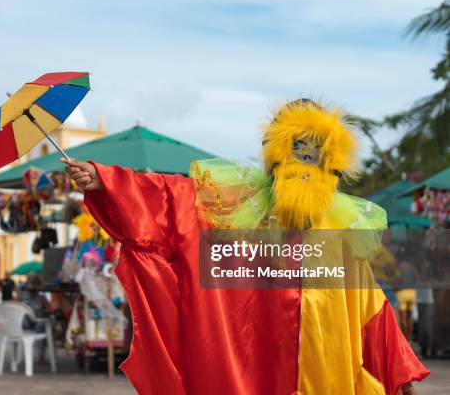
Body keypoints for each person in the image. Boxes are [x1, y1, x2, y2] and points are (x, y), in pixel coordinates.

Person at [62, 100, 429, 395]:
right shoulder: (232, 211)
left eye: (315, 155)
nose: (305, 165)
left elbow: (372, 312)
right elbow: (169, 199)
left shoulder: (341, 233)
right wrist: (106, 180)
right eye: (296, 151)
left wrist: (401, 376)